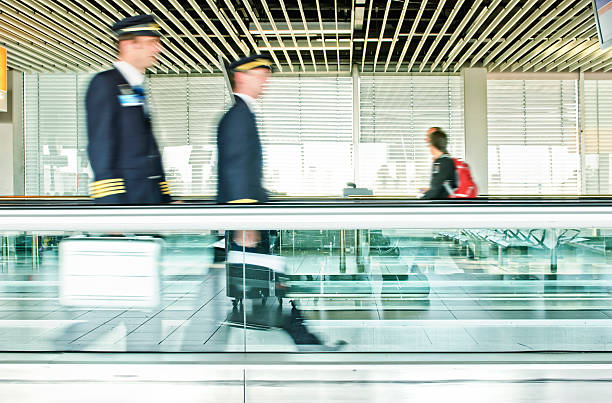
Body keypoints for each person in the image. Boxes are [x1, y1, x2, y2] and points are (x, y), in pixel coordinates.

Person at [216, 54, 345, 350]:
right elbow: (236, 168)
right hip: (247, 218)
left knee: (275, 282)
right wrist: (244, 220)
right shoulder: (238, 116)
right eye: (259, 75)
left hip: (250, 215)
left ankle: (304, 338)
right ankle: (303, 339)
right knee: (273, 283)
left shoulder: (242, 114)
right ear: (241, 77)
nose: (265, 81)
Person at [86, 14, 171, 204]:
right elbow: (101, 147)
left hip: (148, 199)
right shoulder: (105, 84)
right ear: (128, 45)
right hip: (126, 202)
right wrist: (113, 210)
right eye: (152, 42)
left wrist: (165, 197)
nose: (159, 48)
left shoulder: (135, 87)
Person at [421, 128, 456, 200]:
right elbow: (438, 187)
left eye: (429, 143)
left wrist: (419, 202)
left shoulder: (445, 162)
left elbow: (436, 190)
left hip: (444, 206)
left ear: (433, 145)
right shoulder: (439, 162)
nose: (428, 146)